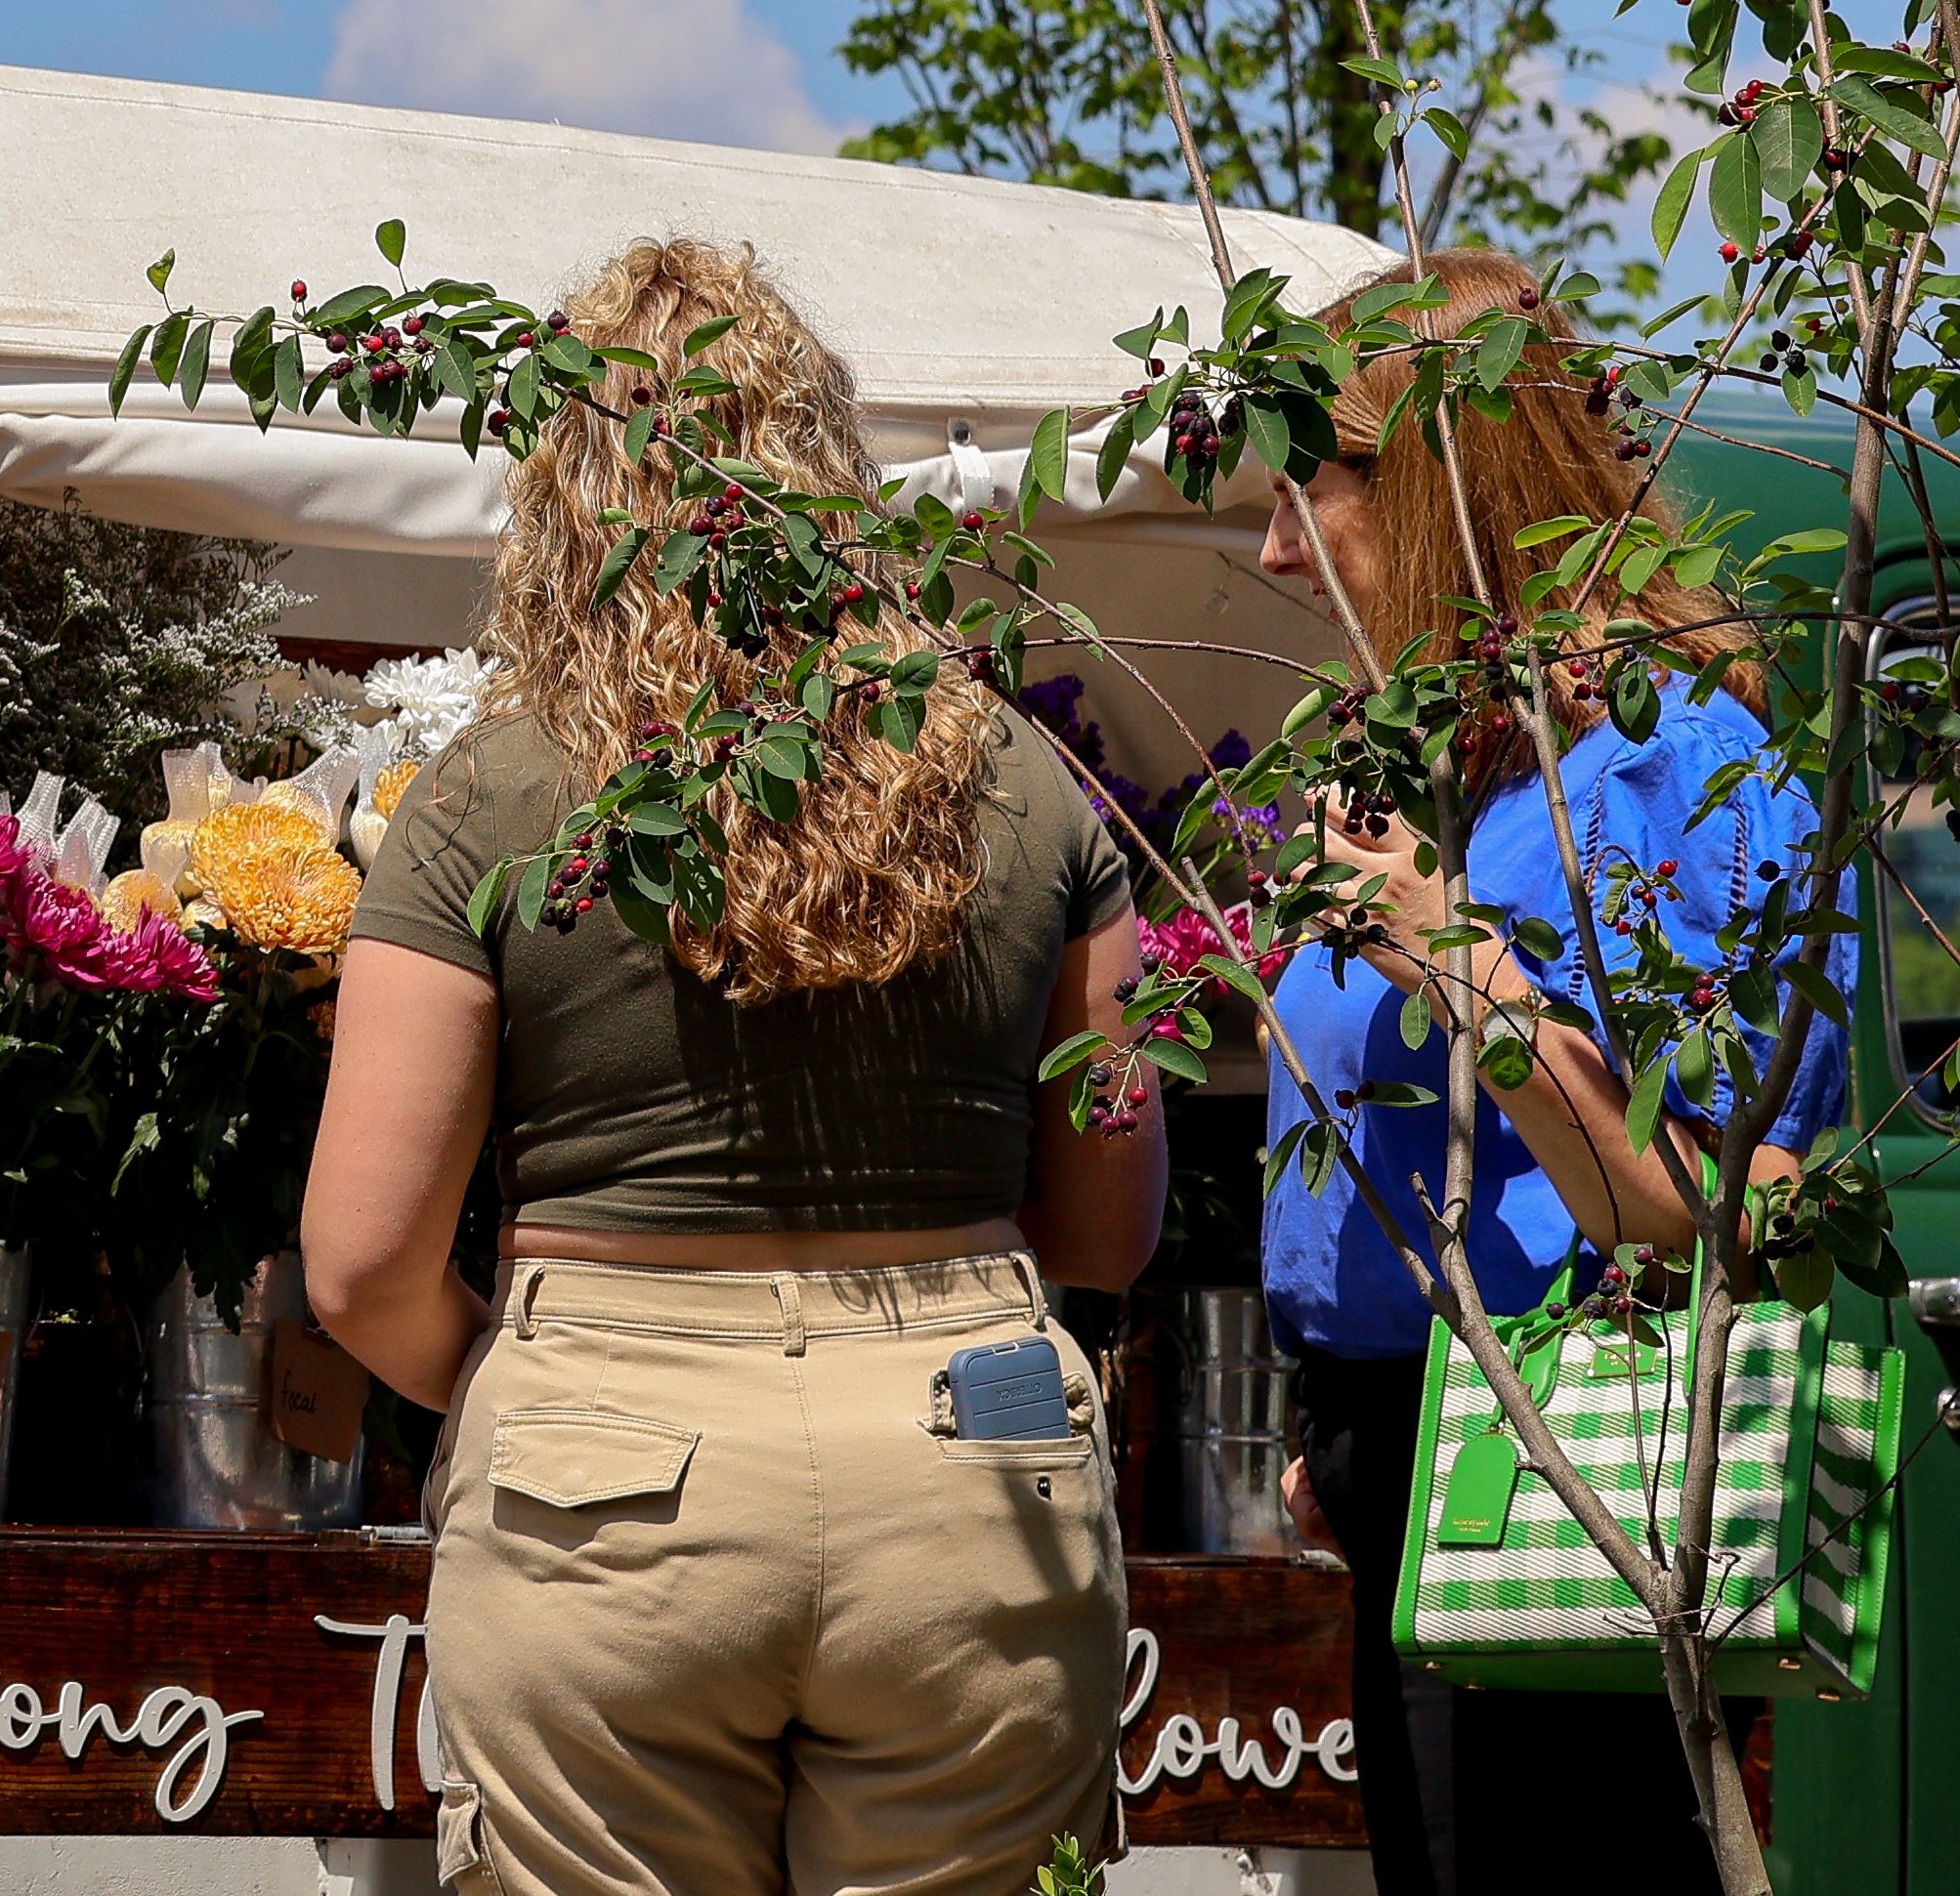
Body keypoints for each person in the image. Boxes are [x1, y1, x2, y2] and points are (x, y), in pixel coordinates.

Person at [303, 235, 1162, 1896]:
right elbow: (1106, 1233)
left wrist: (530, 1378)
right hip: (975, 1460)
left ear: (567, 492)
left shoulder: (488, 794)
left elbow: (358, 1267)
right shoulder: (1025, 784)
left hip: (602, 1480)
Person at [1256, 250, 1839, 1896]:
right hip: (1421, 1465)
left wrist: (1453, 959)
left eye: (1307, 494)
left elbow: (1716, 1202)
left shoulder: (1662, 770)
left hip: (1576, 1469)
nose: (1275, 551)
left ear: (1435, 492)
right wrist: (1345, 1427)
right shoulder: (1456, 759)